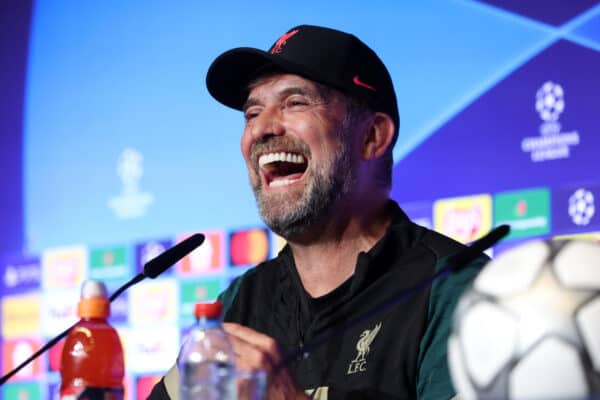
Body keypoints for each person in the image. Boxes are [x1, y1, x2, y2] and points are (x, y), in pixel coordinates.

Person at [149, 24, 488, 400]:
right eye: (252, 113)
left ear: (372, 136)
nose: (261, 129)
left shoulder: (461, 290)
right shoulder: (239, 302)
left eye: (295, 103)